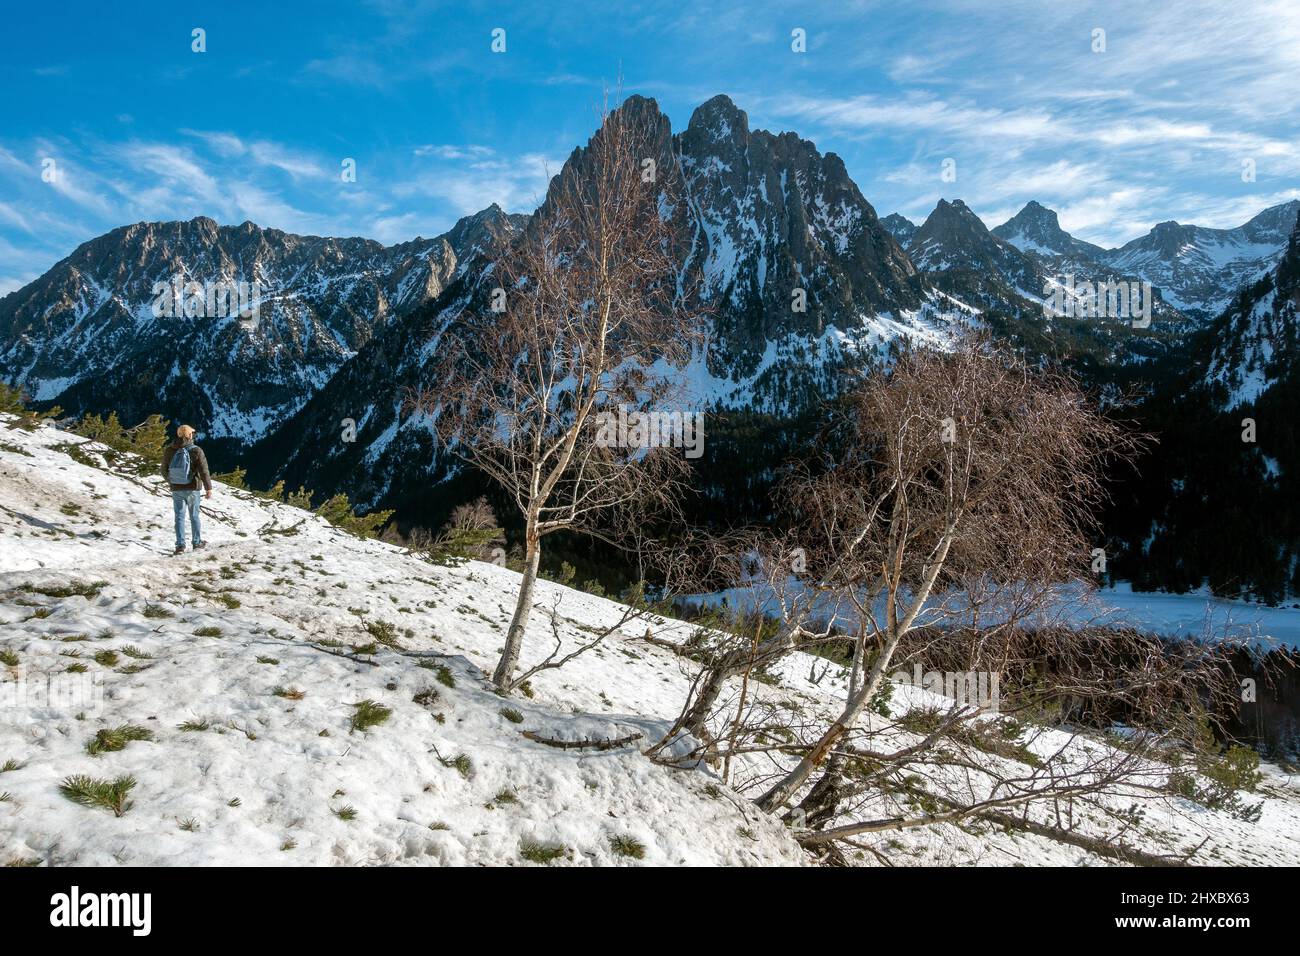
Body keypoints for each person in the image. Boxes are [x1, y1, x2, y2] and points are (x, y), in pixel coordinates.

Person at [163, 424, 212, 554]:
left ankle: (180, 546)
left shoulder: (169, 450)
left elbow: (163, 470)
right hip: (192, 488)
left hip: (176, 489)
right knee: (194, 515)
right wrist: (208, 488)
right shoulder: (196, 450)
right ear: (189, 435)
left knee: (179, 516)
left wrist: (172, 481)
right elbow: (204, 471)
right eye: (192, 433)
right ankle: (196, 542)